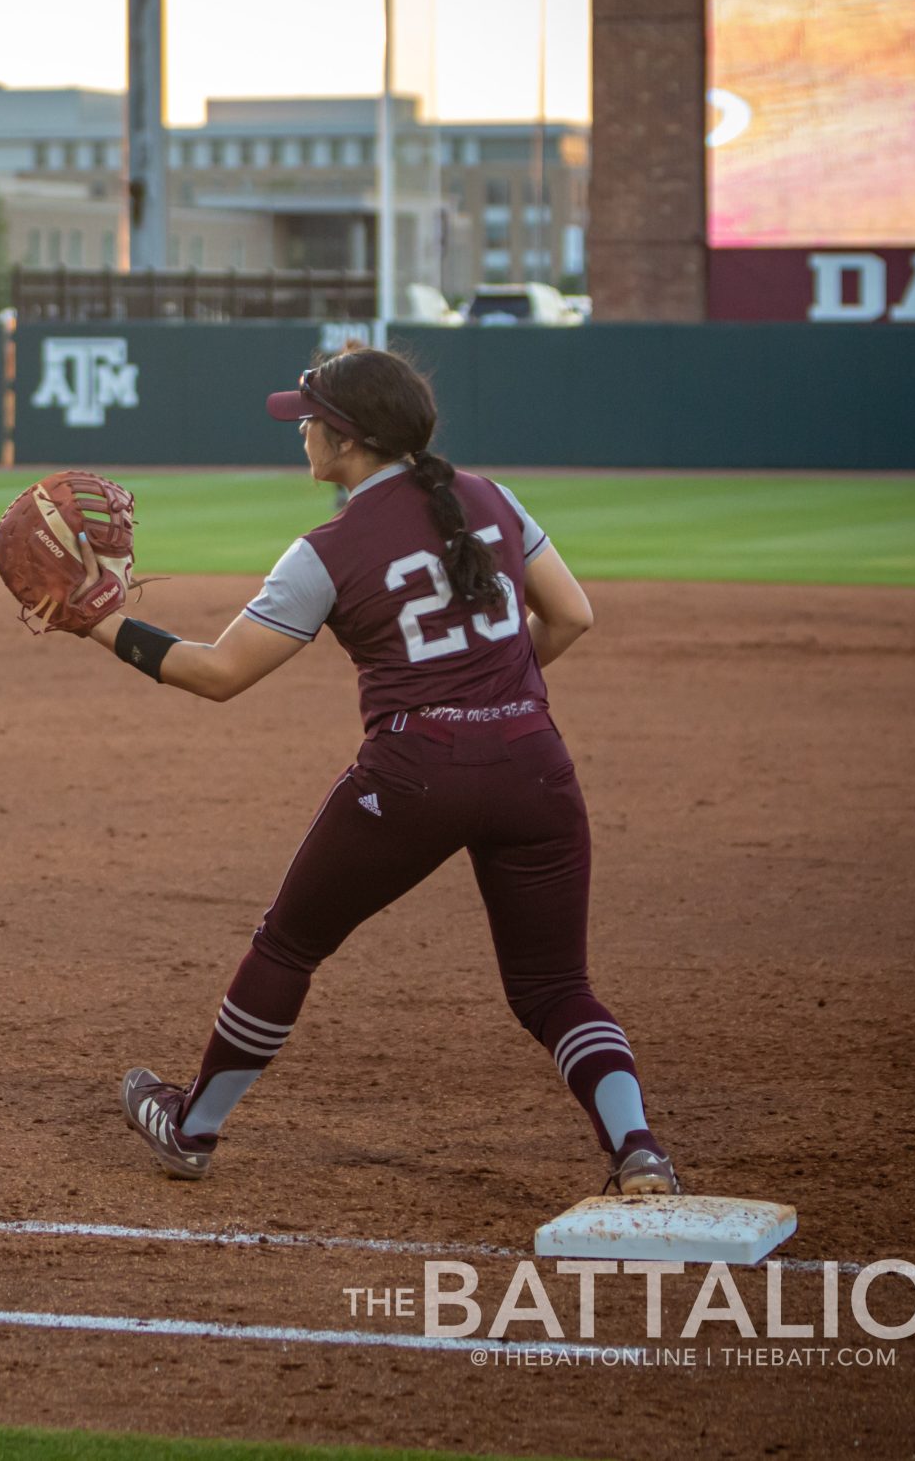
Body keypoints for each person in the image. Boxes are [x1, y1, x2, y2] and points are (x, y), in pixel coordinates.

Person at [76, 349, 676, 1195]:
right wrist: (497, 696)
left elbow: (217, 673)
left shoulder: (328, 549)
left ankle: (193, 1125)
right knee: (554, 985)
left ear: (347, 441)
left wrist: (95, 619)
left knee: (290, 942)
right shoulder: (492, 499)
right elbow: (572, 614)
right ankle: (638, 1148)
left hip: (414, 777)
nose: (302, 431)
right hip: (535, 766)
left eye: (309, 419)